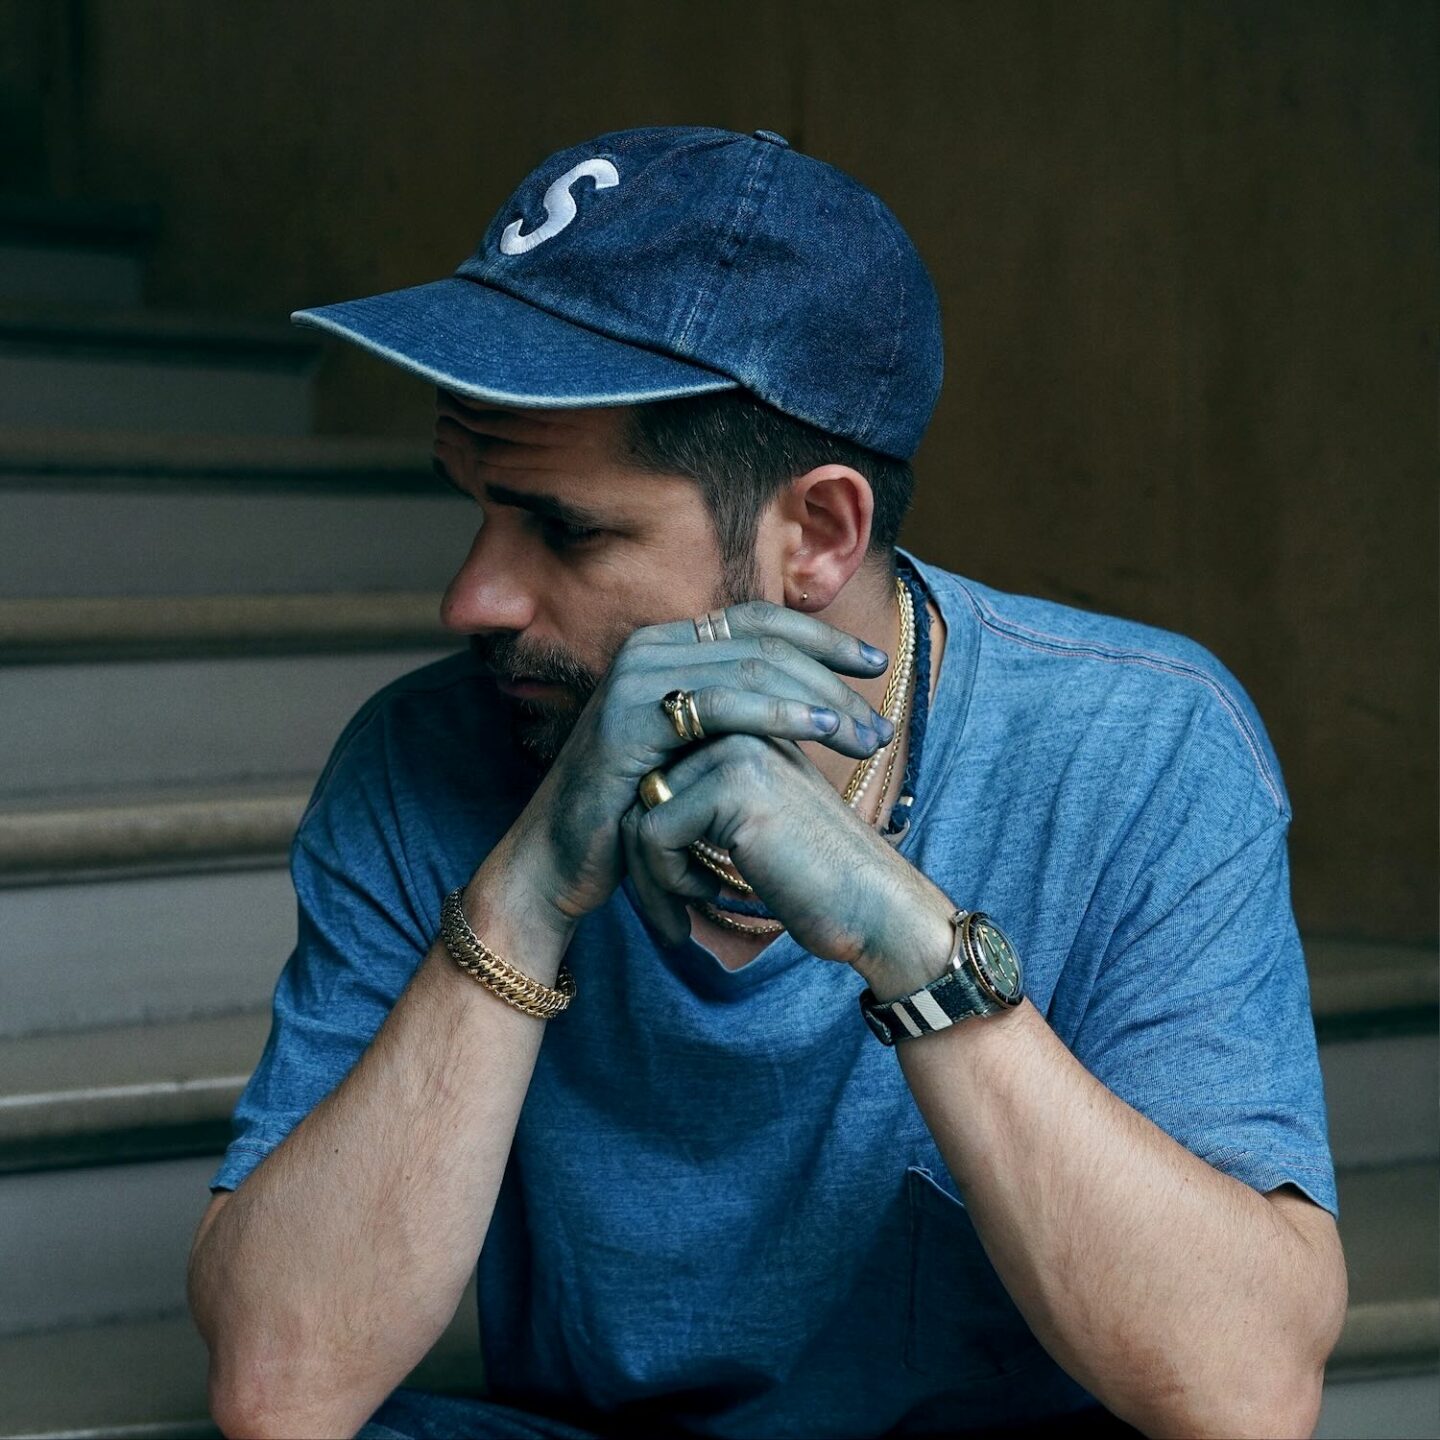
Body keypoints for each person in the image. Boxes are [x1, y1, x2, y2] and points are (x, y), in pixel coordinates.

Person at [186, 126, 1346, 1440]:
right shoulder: (421, 763)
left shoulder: (1137, 746)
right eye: (476, 503)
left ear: (817, 533)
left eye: (565, 528)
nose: (473, 597)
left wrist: (905, 942)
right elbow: (281, 1390)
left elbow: (1245, 1394)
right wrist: (525, 891)